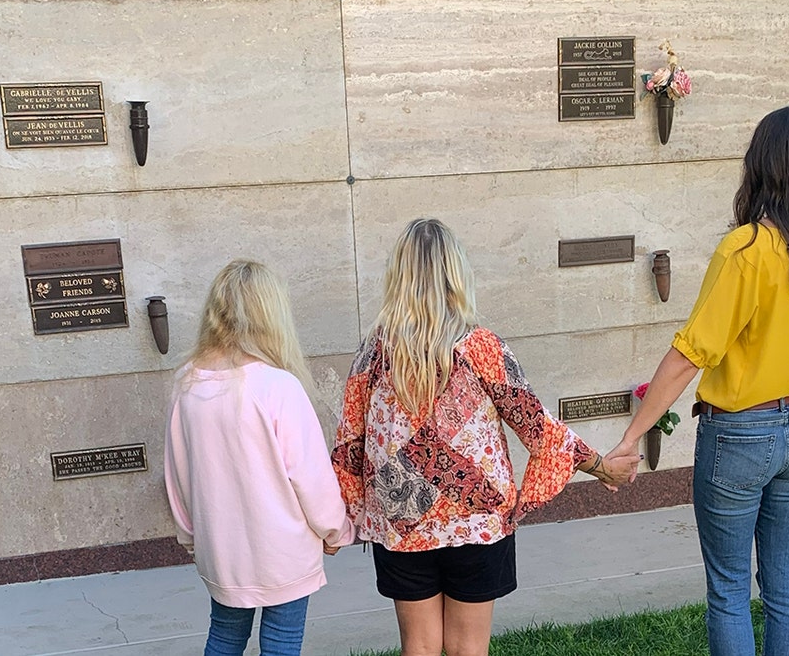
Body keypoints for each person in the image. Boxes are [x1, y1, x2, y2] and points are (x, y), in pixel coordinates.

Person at [607, 105, 789, 656]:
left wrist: (630, 437)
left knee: (728, 591)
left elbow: (690, 354)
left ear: (761, 166)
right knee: (787, 588)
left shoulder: (745, 249)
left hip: (740, 432)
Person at [331, 218, 640, 656]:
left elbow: (349, 444)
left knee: (418, 647)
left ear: (398, 275)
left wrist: (343, 519)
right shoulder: (482, 347)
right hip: (477, 521)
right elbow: (538, 427)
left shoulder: (374, 352)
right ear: (457, 274)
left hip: (401, 522)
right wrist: (601, 466)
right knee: (468, 649)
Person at [164, 260, 355, 656]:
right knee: (282, 642)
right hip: (285, 551)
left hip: (221, 549)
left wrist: (191, 538)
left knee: (224, 637)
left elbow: (179, 476)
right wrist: (336, 530)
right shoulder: (278, 386)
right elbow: (310, 475)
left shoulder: (187, 385)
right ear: (271, 314)